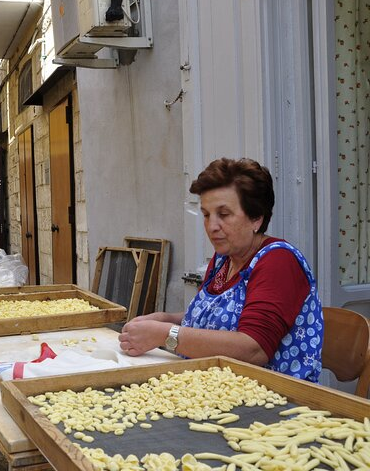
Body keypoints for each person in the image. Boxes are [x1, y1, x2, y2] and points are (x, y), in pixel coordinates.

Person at [119, 158, 323, 382]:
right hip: (217, 387)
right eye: (206, 215)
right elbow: (217, 320)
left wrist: (165, 334)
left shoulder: (278, 262)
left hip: (274, 400)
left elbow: (253, 349)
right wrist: (169, 319)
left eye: (223, 215)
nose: (212, 226)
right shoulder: (223, 260)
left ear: (256, 217)